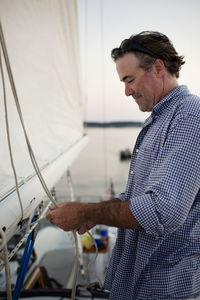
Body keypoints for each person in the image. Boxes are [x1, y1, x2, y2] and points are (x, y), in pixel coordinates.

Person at [46, 31, 200, 300]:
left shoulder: (189, 116)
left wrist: (84, 212)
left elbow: (164, 211)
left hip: (162, 288)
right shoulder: (159, 120)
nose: (127, 91)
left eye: (130, 80)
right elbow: (139, 198)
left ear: (158, 68)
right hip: (136, 283)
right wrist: (95, 215)